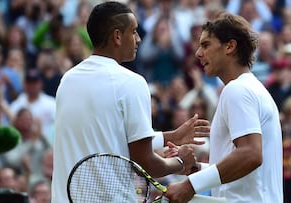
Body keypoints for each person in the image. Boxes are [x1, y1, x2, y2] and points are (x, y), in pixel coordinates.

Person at [51, 2, 209, 203]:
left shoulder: (67, 80)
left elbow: (110, 136)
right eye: (133, 32)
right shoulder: (131, 82)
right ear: (117, 36)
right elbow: (146, 162)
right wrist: (181, 162)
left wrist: (171, 136)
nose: (139, 39)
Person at [165, 12, 283, 203]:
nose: (198, 53)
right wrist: (195, 168)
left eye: (206, 45)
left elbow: (250, 155)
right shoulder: (253, 89)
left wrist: (190, 185)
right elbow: (243, 171)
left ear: (230, 46)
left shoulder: (237, 90)